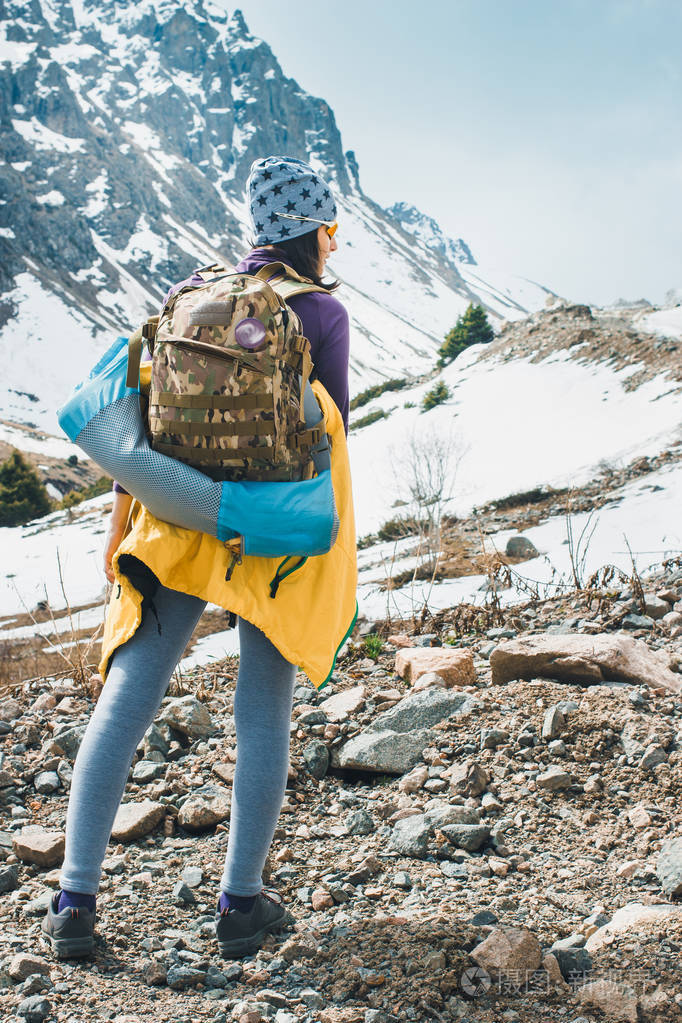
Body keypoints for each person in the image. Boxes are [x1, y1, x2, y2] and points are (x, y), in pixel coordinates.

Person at [41, 156, 356, 960]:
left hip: (175, 519)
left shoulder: (192, 292)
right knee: (261, 710)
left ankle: (74, 901)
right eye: (331, 227)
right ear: (312, 231)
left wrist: (121, 524)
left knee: (127, 698)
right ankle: (240, 904)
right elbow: (331, 438)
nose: (335, 241)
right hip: (266, 537)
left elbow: (143, 420)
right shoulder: (322, 313)